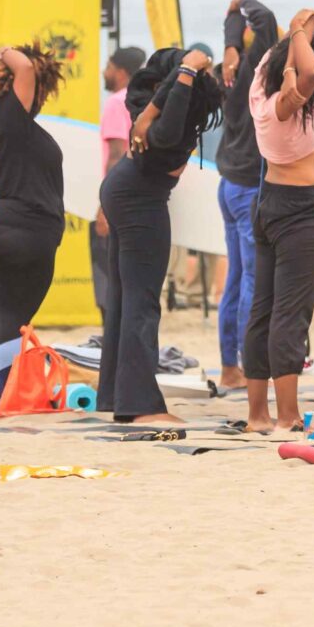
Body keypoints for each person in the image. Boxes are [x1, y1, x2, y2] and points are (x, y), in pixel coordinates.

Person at [99, 44, 219, 426]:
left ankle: (115, 395)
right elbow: (167, 135)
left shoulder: (150, 108)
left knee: (125, 297)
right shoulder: (164, 118)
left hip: (128, 191)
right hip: (140, 198)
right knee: (142, 300)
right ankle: (139, 405)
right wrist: (186, 74)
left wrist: (183, 75)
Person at [244, 8, 314, 433]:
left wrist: (302, 30)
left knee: (263, 311)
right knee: (289, 316)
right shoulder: (284, 105)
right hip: (299, 210)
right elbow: (313, 73)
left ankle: (257, 415)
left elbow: (285, 57)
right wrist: (300, 29)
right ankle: (287, 416)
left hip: (269, 204)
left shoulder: (260, 92)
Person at [0, 41, 65, 405]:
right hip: (27, 234)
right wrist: (4, 51)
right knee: (13, 318)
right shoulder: (13, 116)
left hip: (0, 231)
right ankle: (11, 398)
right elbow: (25, 68)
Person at [213, 0, 279, 390]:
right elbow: (267, 21)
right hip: (248, 188)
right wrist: (246, 3)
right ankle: (249, 365)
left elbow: (259, 29)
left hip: (229, 184)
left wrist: (230, 34)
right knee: (251, 280)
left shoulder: (232, 73)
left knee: (237, 279)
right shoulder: (255, 77)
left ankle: (229, 366)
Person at [89, 45, 144, 334]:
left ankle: (112, 340)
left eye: (108, 66)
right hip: (140, 201)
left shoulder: (115, 102)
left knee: (109, 280)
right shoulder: (146, 100)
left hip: (117, 201)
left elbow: (115, 154)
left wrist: (104, 206)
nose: (104, 72)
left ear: (121, 73)